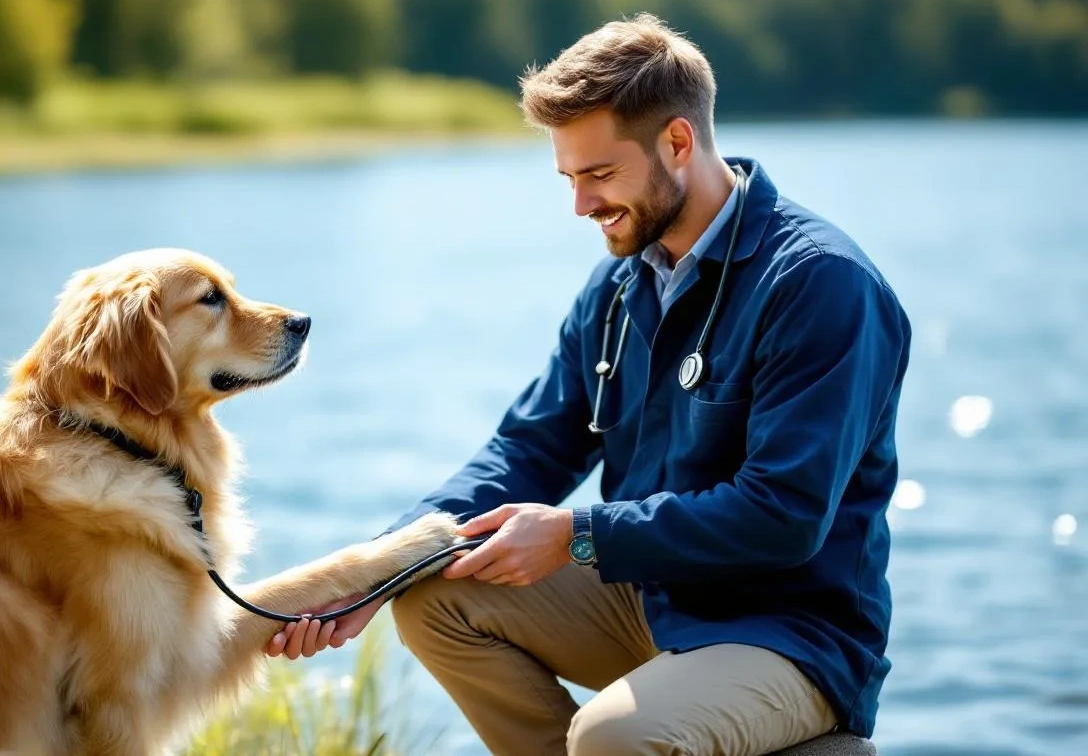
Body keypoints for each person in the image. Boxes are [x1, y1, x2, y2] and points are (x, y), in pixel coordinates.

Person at [265, 13, 911, 756]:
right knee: (434, 595)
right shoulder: (618, 285)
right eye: (570, 178)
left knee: (611, 735)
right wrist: (374, 570)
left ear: (677, 142)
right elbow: (528, 449)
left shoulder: (820, 283)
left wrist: (578, 537)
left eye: (600, 174)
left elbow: (784, 514)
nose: (581, 205)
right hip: (651, 598)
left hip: (791, 634)